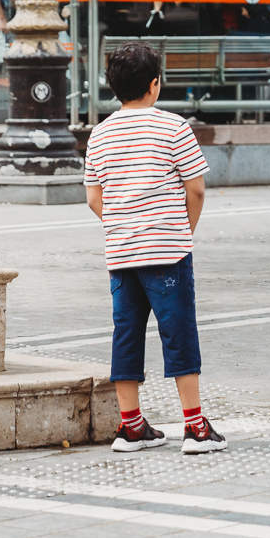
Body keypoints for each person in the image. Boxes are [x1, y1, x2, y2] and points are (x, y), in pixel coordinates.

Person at [84, 41, 227, 454]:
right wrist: (182, 230)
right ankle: (196, 427)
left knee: (126, 334)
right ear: (155, 85)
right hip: (168, 250)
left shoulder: (100, 133)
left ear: (114, 88)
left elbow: (95, 197)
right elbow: (196, 189)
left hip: (122, 252)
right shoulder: (174, 127)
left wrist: (124, 224)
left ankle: (130, 426)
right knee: (178, 332)